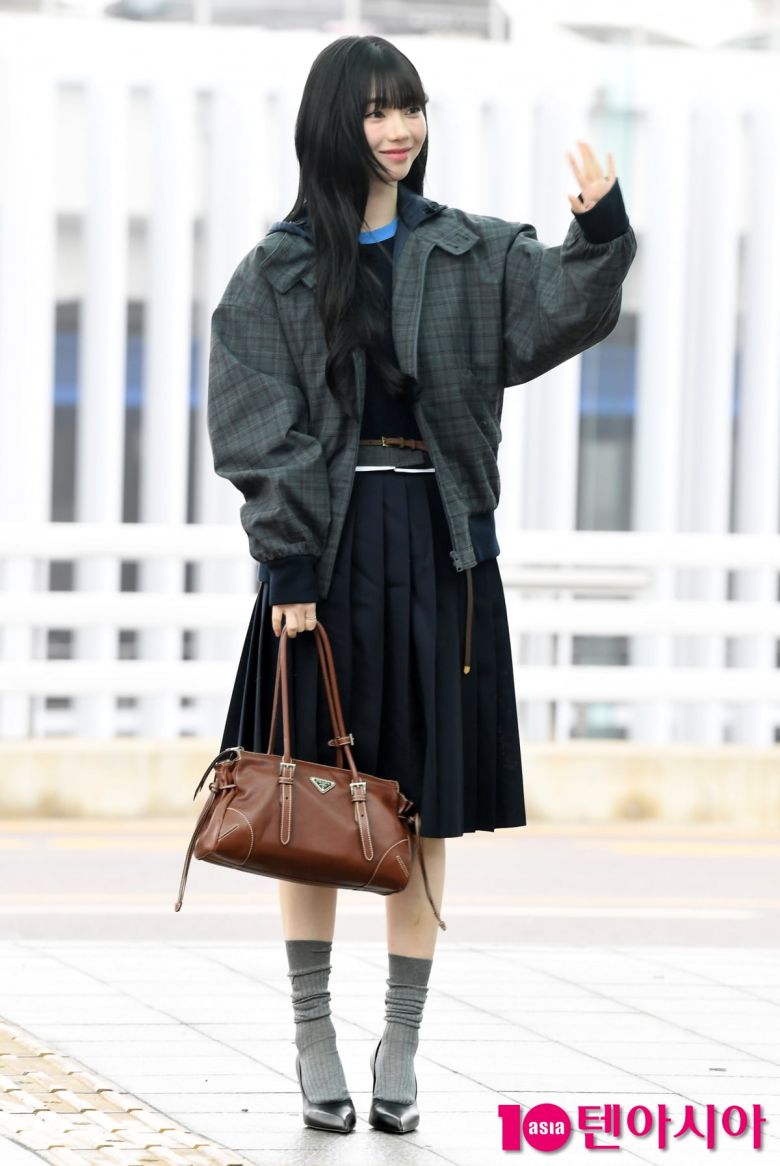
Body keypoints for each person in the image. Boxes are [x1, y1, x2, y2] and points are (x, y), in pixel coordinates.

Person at [206, 34, 637, 1137]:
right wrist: (288, 559)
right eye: (376, 111)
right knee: (310, 795)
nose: (400, 130)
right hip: (328, 551)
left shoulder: (469, 251)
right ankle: (313, 1032)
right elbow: (255, 417)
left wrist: (600, 229)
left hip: (442, 548)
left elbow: (561, 305)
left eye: (411, 108)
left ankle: (401, 1039)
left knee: (420, 803)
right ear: (334, 123)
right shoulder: (279, 269)